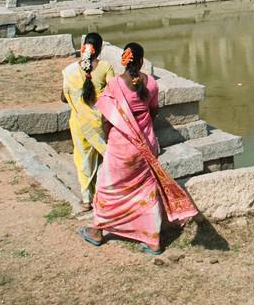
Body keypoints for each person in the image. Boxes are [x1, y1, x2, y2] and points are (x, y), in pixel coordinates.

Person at [79, 43, 198, 254]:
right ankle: (152, 240)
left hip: (121, 147)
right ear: (141, 61)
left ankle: (98, 230)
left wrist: (112, 136)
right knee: (146, 190)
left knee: (109, 188)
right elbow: (153, 112)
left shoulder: (115, 84)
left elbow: (106, 119)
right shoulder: (150, 83)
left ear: (123, 61)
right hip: (145, 145)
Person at [61, 32, 114, 212]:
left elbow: (63, 97)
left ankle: (86, 200)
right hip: (98, 122)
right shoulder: (105, 67)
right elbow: (113, 93)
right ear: (99, 50)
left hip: (78, 122)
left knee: (82, 159)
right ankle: (103, 196)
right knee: (100, 158)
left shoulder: (70, 71)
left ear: (83, 47)